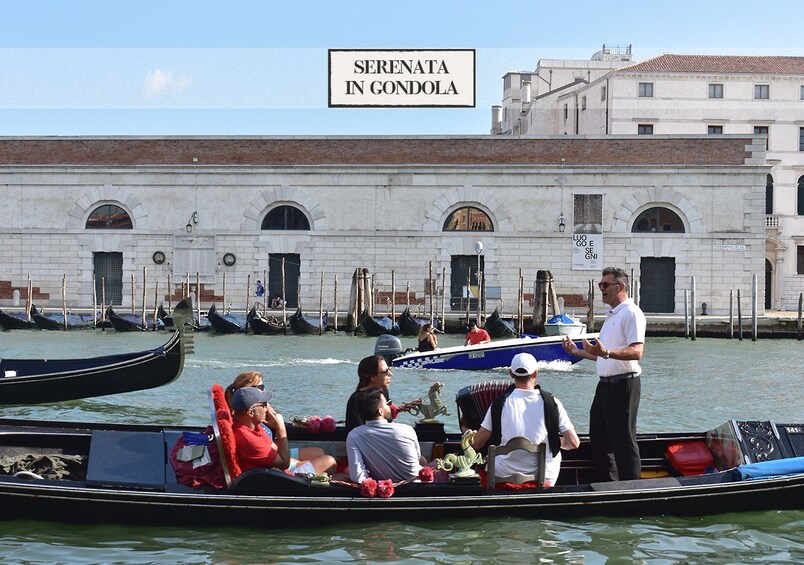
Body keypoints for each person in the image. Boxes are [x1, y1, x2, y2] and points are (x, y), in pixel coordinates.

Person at [561, 266, 646, 481]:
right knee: (599, 436)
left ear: (621, 286)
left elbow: (637, 352)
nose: (601, 289)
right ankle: (610, 482)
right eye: (600, 285)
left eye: (605, 285)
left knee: (624, 440)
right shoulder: (612, 316)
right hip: (606, 386)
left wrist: (606, 351)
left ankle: (632, 488)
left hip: (624, 385)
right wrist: (578, 351)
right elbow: (603, 356)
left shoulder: (632, 313)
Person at [470, 353, 579, 487]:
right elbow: (574, 443)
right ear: (536, 373)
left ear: (511, 373)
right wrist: (552, 440)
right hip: (545, 479)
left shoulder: (498, 404)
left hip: (503, 477)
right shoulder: (553, 403)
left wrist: (466, 431)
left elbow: (477, 444)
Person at [225, 371, 330, 471]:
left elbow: (275, 451)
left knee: (321, 454)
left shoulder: (253, 424)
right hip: (276, 473)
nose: (267, 408)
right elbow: (284, 464)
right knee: (329, 462)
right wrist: (280, 428)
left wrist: (299, 463)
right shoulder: (248, 434)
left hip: (272, 459)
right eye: (260, 388)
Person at [346, 388, 425, 483]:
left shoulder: (354, 435)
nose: (390, 406)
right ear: (380, 411)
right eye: (387, 404)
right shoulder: (407, 429)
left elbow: (358, 478)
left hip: (381, 491)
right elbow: (417, 457)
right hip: (417, 487)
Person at [345, 355, 421, 432]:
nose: (390, 374)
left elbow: (388, 419)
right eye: (385, 372)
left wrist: (398, 409)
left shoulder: (383, 391)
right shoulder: (355, 400)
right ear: (373, 377)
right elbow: (353, 432)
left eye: (389, 369)